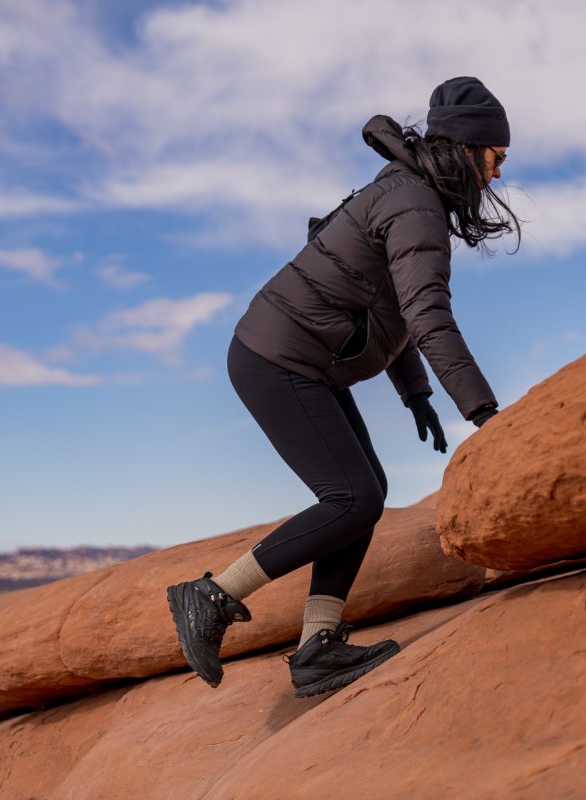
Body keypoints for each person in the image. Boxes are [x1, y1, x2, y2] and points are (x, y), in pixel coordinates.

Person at [166, 76, 522, 698]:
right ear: (469, 149)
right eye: (497, 159)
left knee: (366, 491)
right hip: (278, 358)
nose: (496, 176)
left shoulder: (410, 195)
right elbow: (428, 313)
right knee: (351, 497)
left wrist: (417, 395)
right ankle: (211, 596)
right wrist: (485, 412)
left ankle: (318, 646)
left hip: (304, 361)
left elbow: (392, 311)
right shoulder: (415, 203)